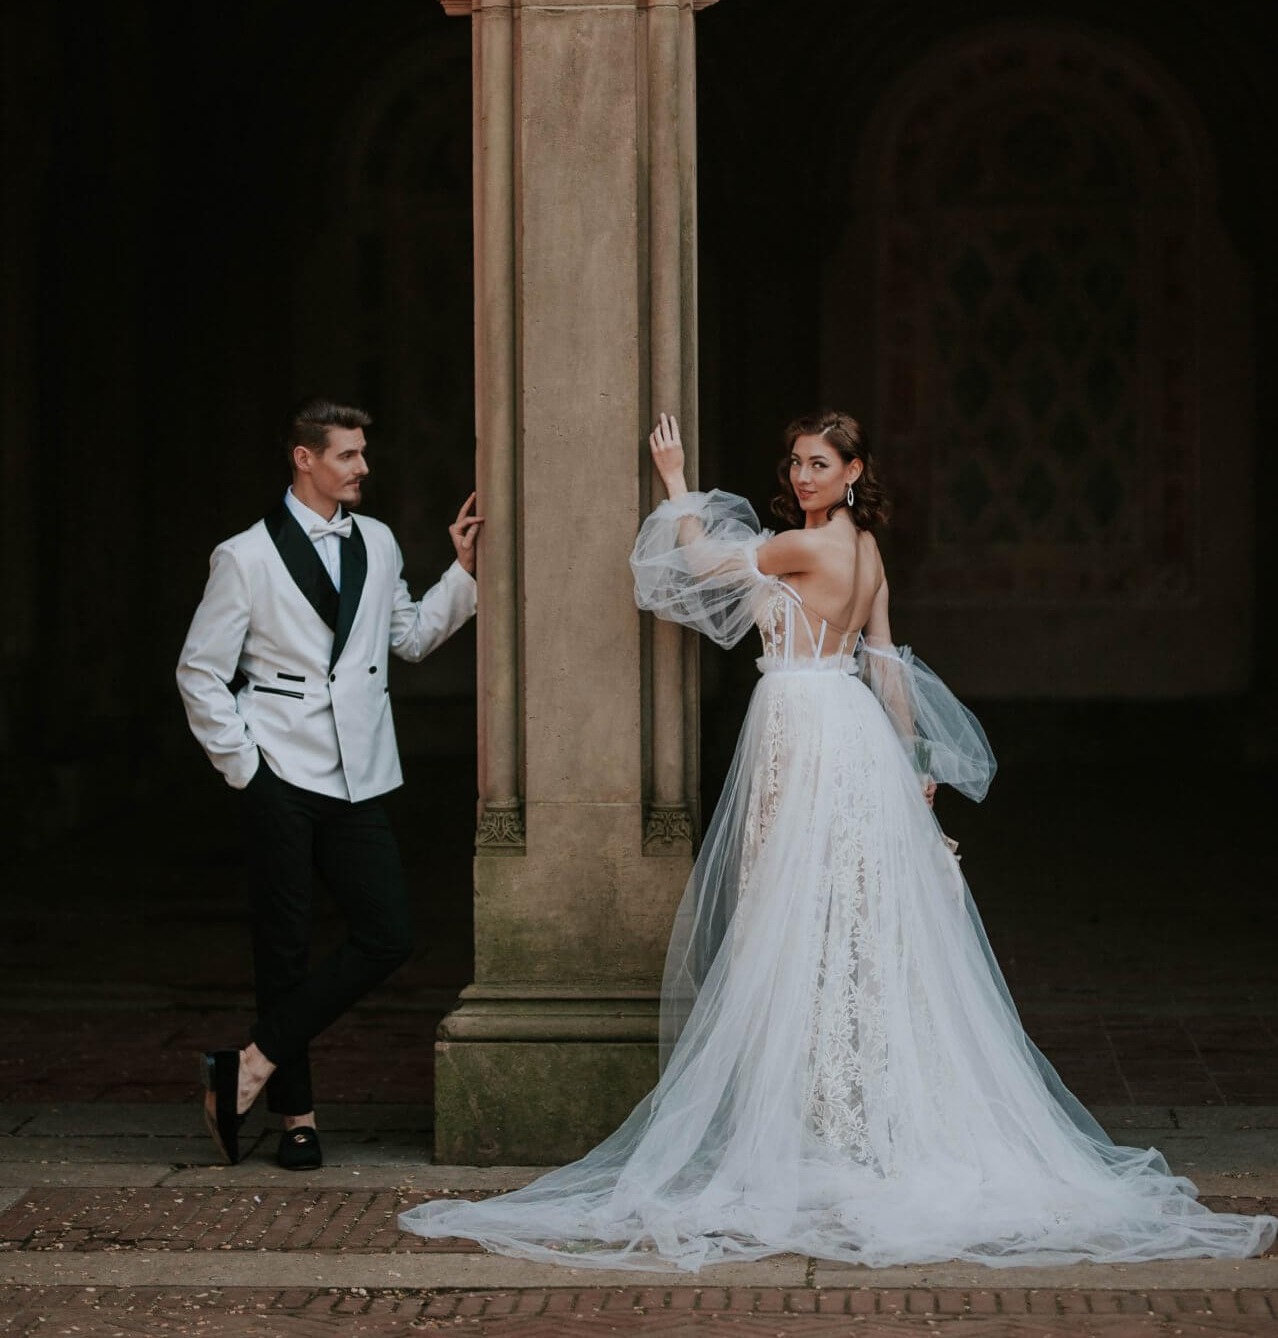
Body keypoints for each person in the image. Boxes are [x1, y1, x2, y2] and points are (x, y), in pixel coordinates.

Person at [400, 409, 1275, 1268]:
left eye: (819, 465)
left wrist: (675, 484)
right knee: (840, 925)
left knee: (801, 918)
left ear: (854, 472)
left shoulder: (811, 547)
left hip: (807, 727)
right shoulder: (864, 551)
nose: (800, 478)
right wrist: (909, 766)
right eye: (796, 464)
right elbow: (886, 664)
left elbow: (701, 562)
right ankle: (839, 1113)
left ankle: (822, 1120)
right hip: (849, 730)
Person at [177, 399, 480, 1170]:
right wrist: (246, 770)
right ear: (304, 459)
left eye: (362, 452)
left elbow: (406, 639)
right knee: (283, 948)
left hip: (360, 773)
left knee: (388, 935)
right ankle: (297, 1119)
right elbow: (200, 673)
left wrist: (462, 574)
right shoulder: (243, 556)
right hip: (279, 768)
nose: (363, 466)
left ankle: (246, 1064)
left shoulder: (375, 542)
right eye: (348, 454)